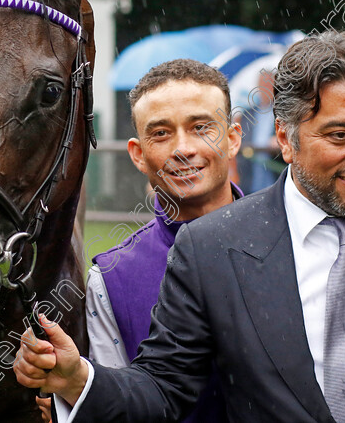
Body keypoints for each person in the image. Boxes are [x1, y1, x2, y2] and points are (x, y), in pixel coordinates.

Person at [13, 30, 345, 422]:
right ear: (285, 139)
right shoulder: (209, 247)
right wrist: (80, 380)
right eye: (339, 135)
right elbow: (165, 391)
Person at [84, 59, 241, 422]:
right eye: (161, 133)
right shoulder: (111, 279)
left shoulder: (291, 242)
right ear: (138, 154)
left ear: (232, 139)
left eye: (201, 128)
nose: (182, 149)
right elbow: (121, 408)